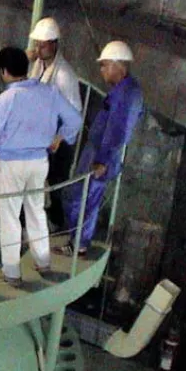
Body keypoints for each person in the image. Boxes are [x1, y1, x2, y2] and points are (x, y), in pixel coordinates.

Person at [0, 47, 82, 288]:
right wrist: (60, 136)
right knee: (36, 210)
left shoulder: (5, 100)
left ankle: (12, 272)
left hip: (11, 165)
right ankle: (43, 261)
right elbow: (75, 120)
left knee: (9, 216)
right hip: (39, 162)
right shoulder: (50, 93)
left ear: (4, 71)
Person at [60, 41, 144, 256]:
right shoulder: (124, 91)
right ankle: (77, 241)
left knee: (81, 198)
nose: (102, 70)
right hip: (97, 152)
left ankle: (79, 244)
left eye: (105, 65)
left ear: (118, 65)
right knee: (82, 198)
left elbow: (119, 130)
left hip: (101, 156)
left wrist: (103, 160)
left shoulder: (127, 94)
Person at [27, 16, 82, 230]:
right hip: (44, 135)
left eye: (43, 45)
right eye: (37, 44)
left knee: (57, 184)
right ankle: (39, 221)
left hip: (61, 141)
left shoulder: (64, 75)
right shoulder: (38, 65)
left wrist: (59, 138)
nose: (39, 49)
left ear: (54, 44)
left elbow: (75, 113)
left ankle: (61, 226)